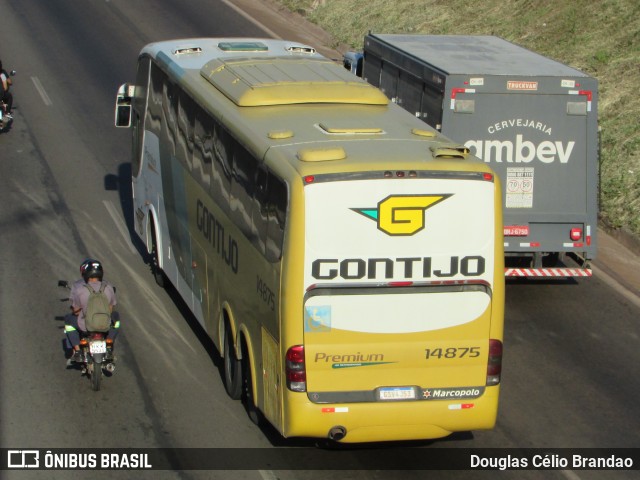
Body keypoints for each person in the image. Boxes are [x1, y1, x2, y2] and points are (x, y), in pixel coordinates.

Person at [65, 259, 120, 363]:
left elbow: (76, 311)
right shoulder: (108, 287)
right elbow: (111, 309)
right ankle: (109, 345)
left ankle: (77, 351)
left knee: (68, 320)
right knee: (116, 318)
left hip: (85, 327)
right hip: (105, 325)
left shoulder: (80, 289)